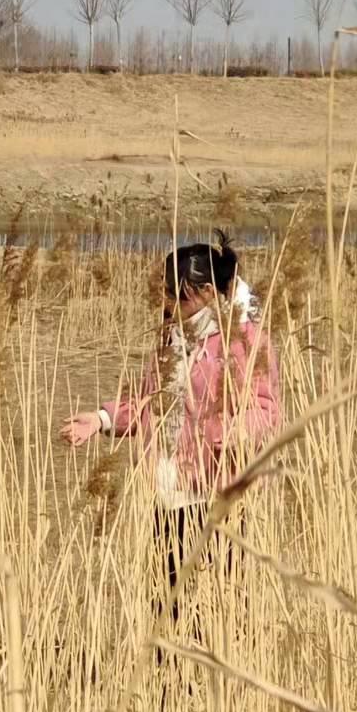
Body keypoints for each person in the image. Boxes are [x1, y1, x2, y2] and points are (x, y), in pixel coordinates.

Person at [60, 232, 283, 630]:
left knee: (218, 605)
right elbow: (150, 401)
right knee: (165, 604)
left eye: (178, 294)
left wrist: (230, 430)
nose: (168, 303)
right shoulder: (170, 337)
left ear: (209, 291)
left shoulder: (246, 339)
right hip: (168, 492)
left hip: (217, 492)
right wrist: (101, 419)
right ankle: (170, 685)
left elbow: (268, 411)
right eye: (166, 293)